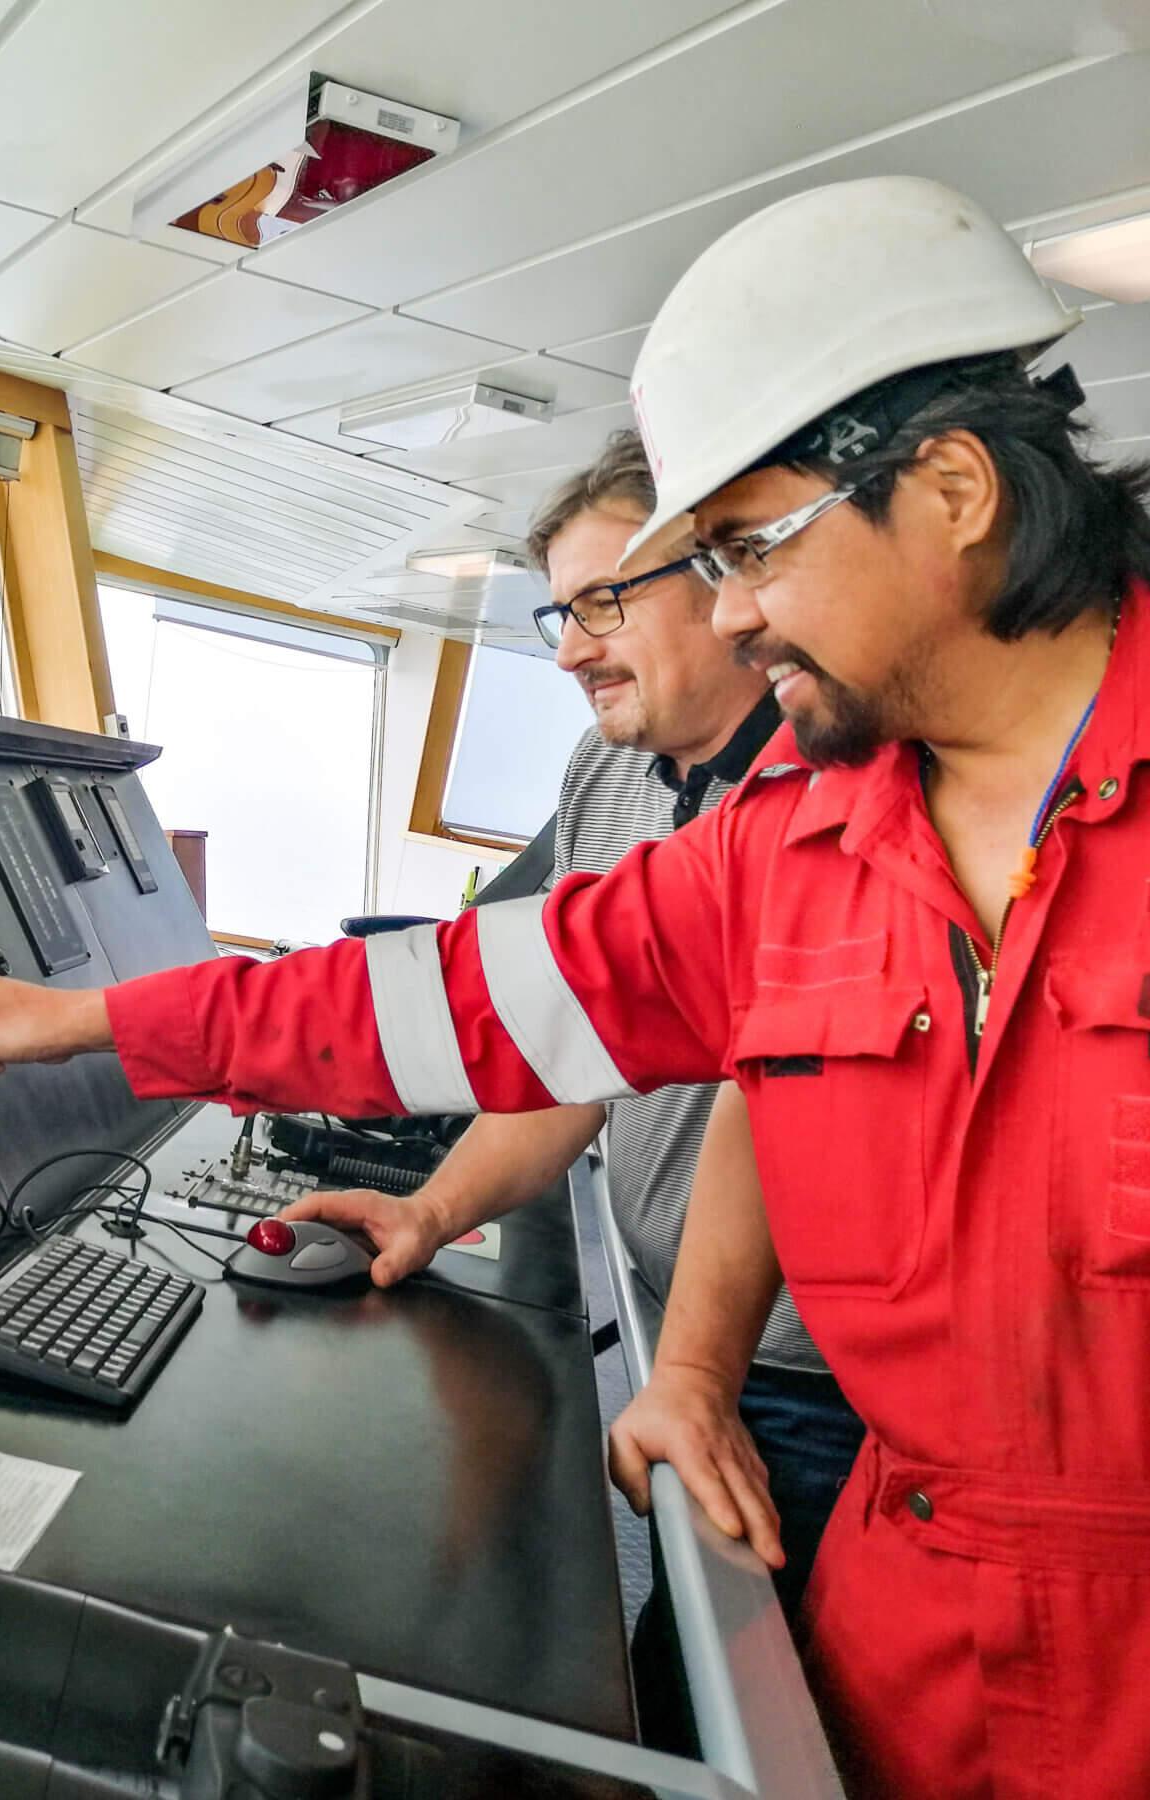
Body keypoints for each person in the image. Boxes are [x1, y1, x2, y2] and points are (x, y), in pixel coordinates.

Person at [0, 174, 1150, 1799]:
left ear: (957, 489)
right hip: (900, 1649)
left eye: (752, 550)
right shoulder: (802, 845)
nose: (741, 610)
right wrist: (92, 1022)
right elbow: (462, 1001)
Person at [277, 433, 863, 1641]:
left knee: (751, 1708)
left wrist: (700, 1375)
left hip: (813, 1380)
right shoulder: (607, 777)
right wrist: (430, 1211)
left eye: (603, 601)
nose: (570, 650)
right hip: (670, 1323)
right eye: (559, 612)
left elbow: (774, 1089)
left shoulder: (848, 797)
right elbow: (568, 1054)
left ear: (732, 583)